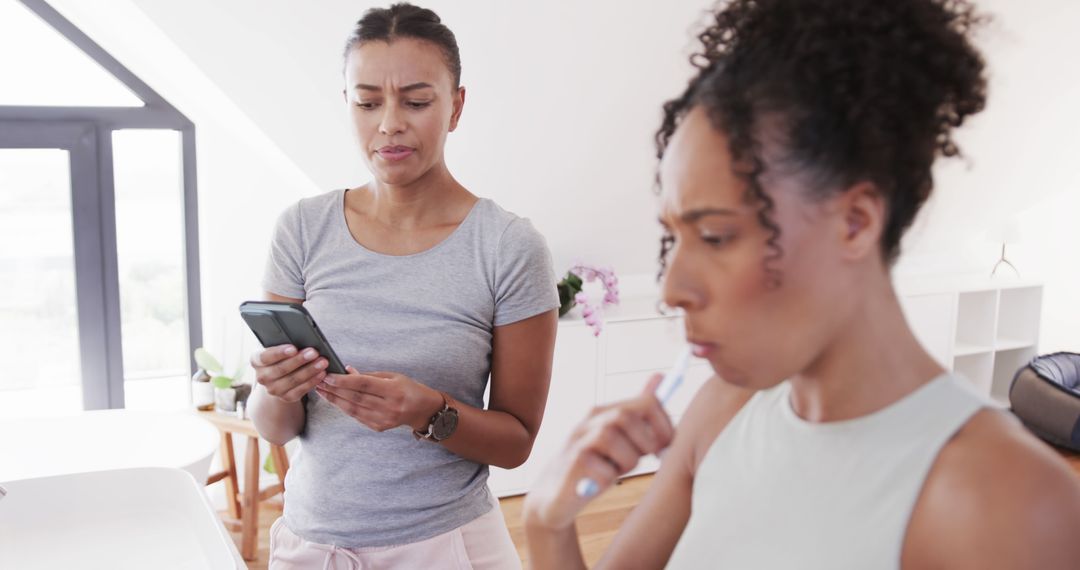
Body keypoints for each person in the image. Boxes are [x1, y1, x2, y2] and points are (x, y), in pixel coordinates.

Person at [523, 0, 1080, 568]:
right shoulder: (724, 411)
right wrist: (546, 526)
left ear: (855, 222)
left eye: (714, 235)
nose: (671, 288)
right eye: (674, 238)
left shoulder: (1006, 502)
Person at [248, 4, 558, 568]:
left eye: (416, 101)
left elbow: (517, 443)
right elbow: (276, 427)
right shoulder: (302, 228)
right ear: (347, 104)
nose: (389, 123)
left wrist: (429, 410)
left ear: (456, 106)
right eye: (368, 102)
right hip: (312, 547)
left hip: (447, 548)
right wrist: (276, 387)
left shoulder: (508, 246)